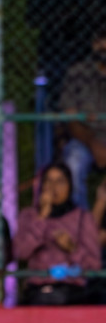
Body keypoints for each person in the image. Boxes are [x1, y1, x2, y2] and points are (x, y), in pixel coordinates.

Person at [13, 163, 101, 305]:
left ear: (70, 186)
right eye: (49, 181)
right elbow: (21, 252)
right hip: (37, 292)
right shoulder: (29, 216)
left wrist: (73, 249)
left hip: (72, 293)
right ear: (42, 186)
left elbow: (94, 266)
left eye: (60, 181)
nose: (54, 187)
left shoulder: (83, 218)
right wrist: (41, 218)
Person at [56, 28, 106, 208]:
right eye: (100, 40)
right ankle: (79, 226)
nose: (103, 46)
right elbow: (71, 121)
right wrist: (94, 144)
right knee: (74, 160)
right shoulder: (78, 73)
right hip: (85, 139)